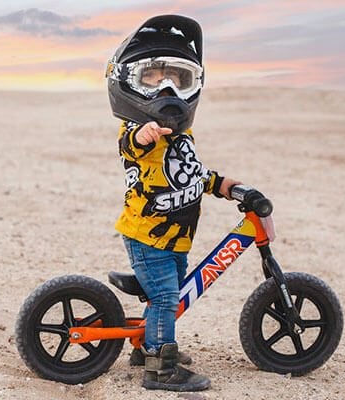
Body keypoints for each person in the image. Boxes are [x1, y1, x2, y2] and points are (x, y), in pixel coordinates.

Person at [105, 15, 241, 392]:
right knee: (166, 297)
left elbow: (191, 173)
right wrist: (145, 133)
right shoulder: (134, 132)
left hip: (174, 239)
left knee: (169, 292)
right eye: (151, 77)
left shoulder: (184, 135)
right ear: (126, 83)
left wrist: (226, 185)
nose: (166, 88)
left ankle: (146, 345)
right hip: (148, 236)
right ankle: (160, 369)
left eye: (178, 78)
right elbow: (133, 148)